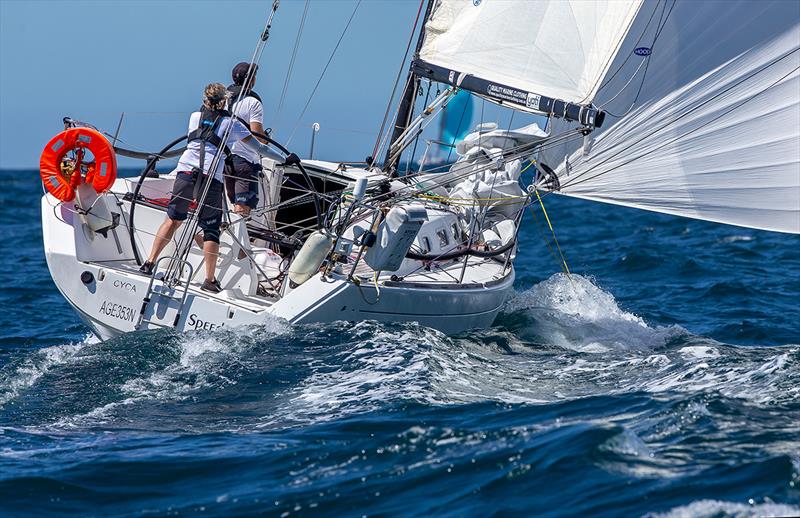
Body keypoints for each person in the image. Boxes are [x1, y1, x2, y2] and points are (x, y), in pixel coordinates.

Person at [139, 82, 299, 293]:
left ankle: (149, 263)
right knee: (211, 230)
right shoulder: (232, 124)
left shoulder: (194, 117)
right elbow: (259, 147)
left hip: (185, 172)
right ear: (225, 100)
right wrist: (286, 158)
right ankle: (209, 279)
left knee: (173, 219)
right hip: (210, 177)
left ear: (204, 100)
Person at [225, 62, 268, 216]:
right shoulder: (253, 103)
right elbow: (257, 135)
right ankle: (238, 239)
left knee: (233, 203)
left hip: (225, 159)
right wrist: (266, 141)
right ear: (252, 80)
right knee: (242, 206)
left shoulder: (224, 100)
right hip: (244, 160)